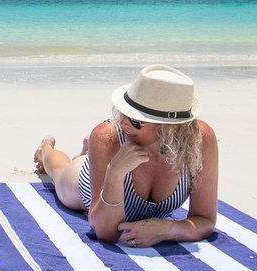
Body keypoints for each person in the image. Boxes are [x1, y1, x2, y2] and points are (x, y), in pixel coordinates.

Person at [33, 65, 218, 246]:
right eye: (123, 112)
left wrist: (169, 229)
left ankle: (89, 152)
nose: (122, 122)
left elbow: (205, 220)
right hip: (86, 181)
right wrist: (114, 172)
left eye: (135, 120)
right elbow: (105, 232)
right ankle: (46, 149)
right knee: (58, 171)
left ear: (169, 127)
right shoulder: (108, 136)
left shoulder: (199, 141)